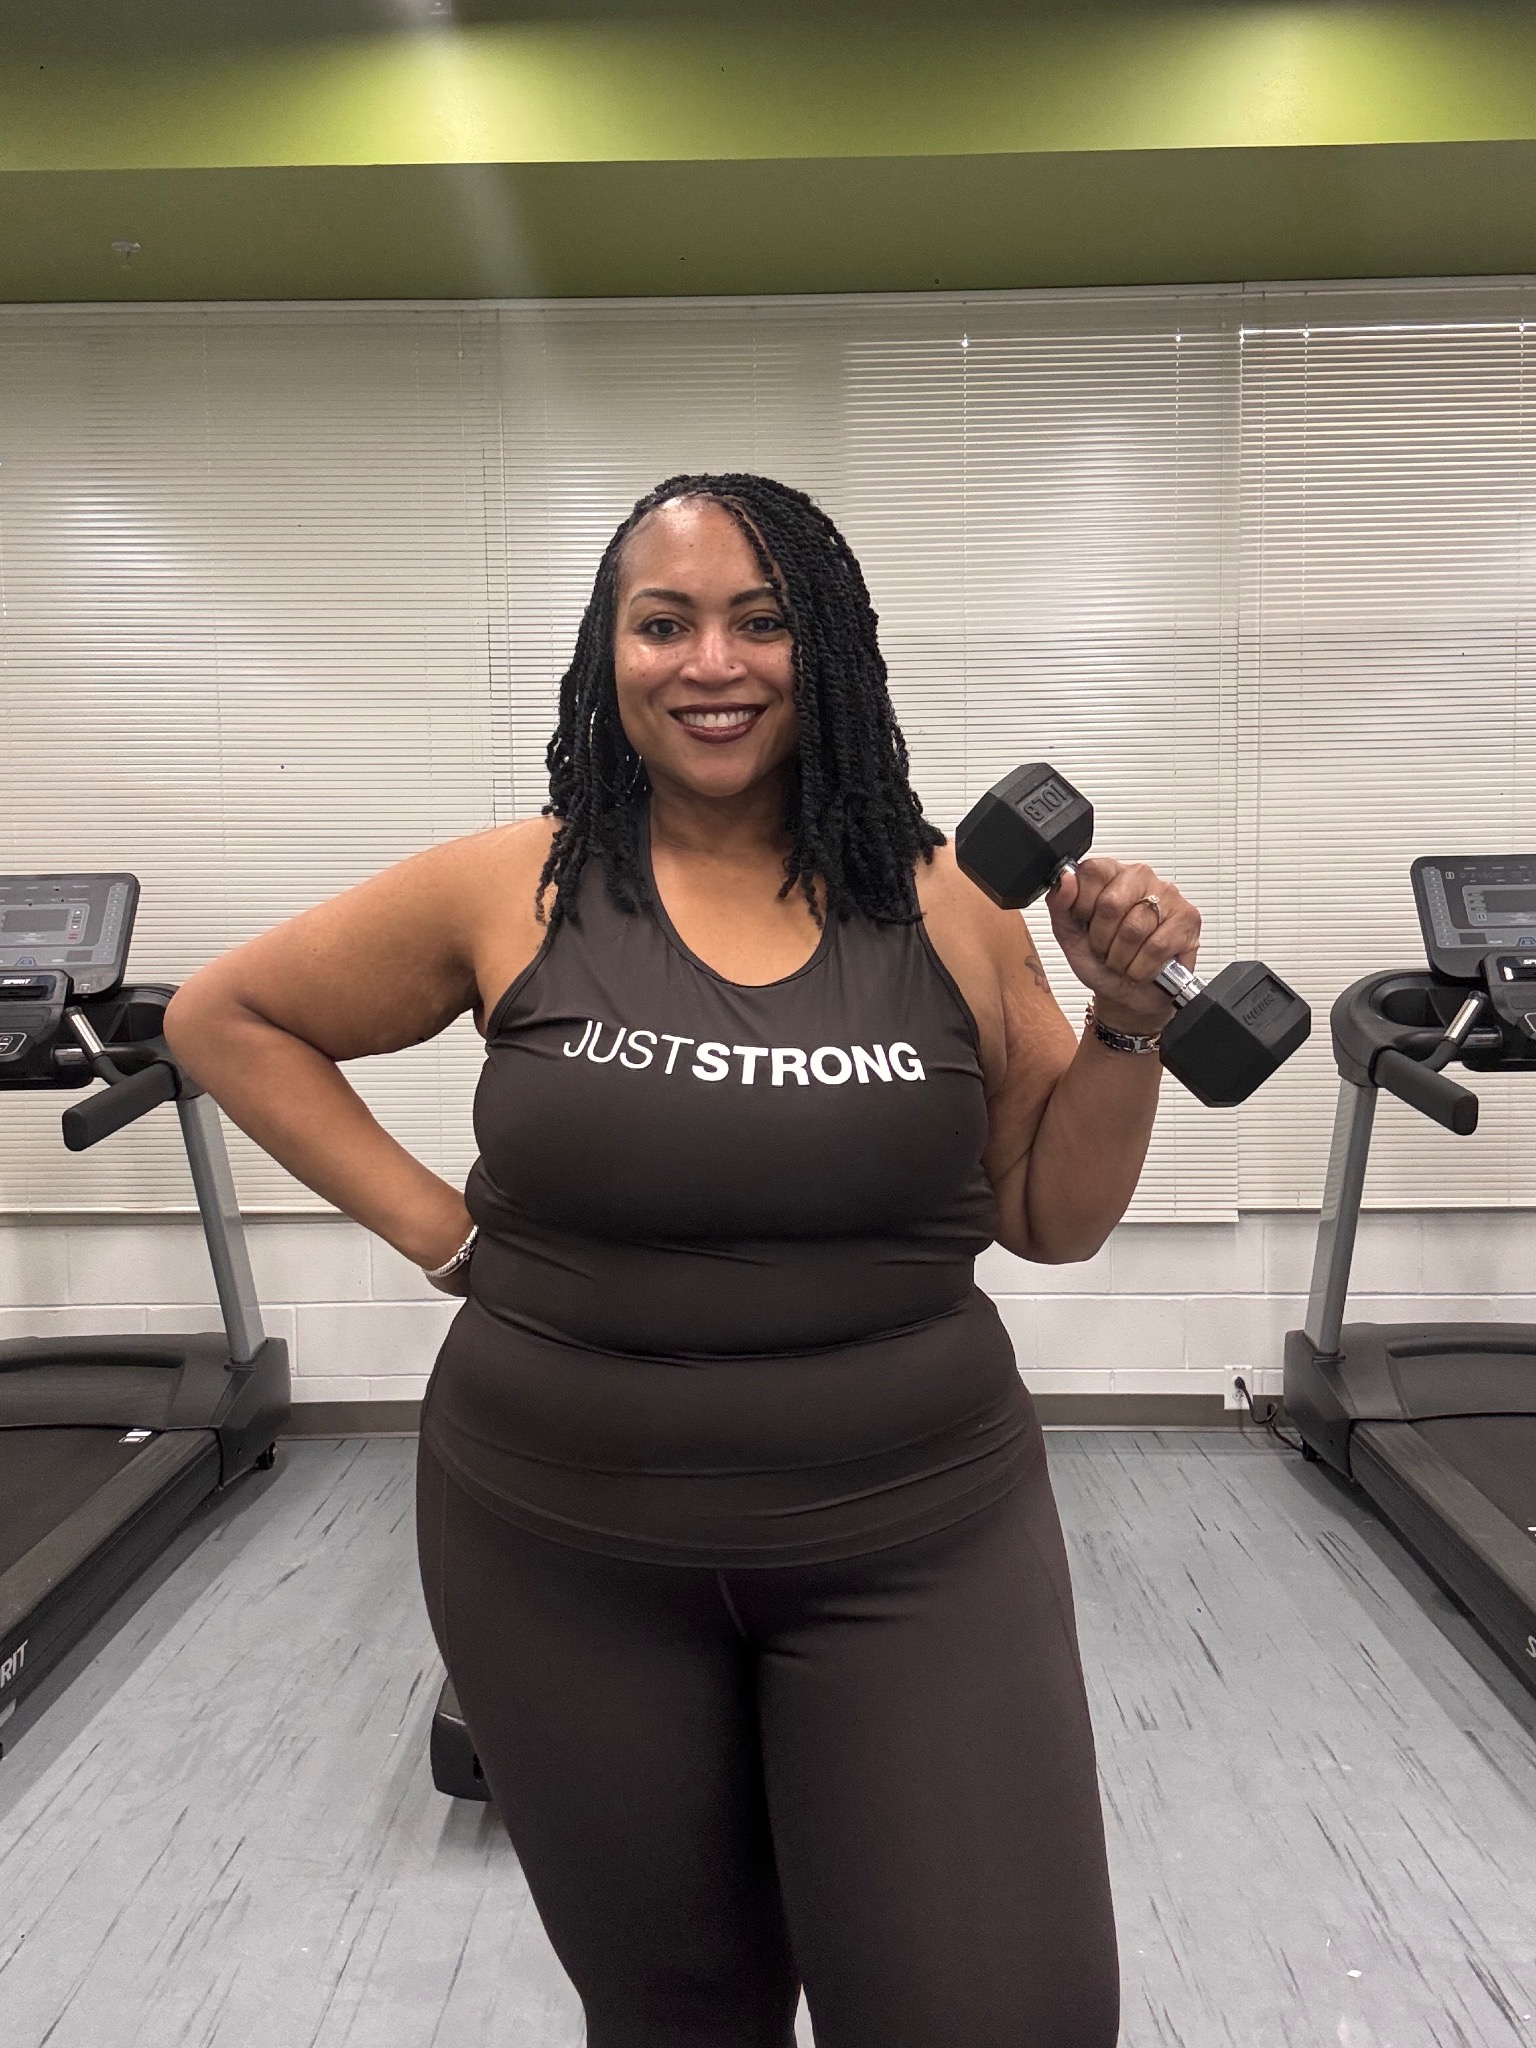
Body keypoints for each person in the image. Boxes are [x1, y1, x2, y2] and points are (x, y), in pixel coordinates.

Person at [165, 471, 1201, 2048]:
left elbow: (1053, 1218)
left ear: (825, 648)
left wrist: (1127, 1019)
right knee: (679, 2016)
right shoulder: (513, 885)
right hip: (559, 1550)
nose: (712, 663)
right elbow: (226, 1017)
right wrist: (444, 1237)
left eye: (760, 622)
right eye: (665, 624)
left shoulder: (951, 904)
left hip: (917, 1541)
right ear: (612, 654)